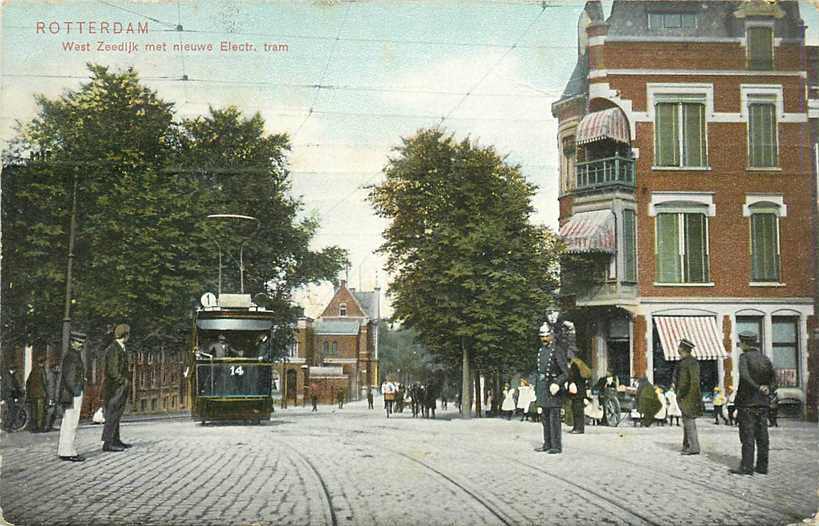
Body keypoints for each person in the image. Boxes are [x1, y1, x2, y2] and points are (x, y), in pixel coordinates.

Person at [731, 331, 775, 476]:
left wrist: (757, 387)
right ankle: (762, 466)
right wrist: (767, 389)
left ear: (744, 343)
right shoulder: (765, 358)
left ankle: (747, 467)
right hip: (763, 403)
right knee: (763, 436)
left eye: (741, 343)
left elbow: (744, 377)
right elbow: (774, 379)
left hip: (747, 402)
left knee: (747, 435)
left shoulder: (744, 357)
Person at [534, 318, 569, 454]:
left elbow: (565, 373)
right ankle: (547, 443)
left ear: (552, 335)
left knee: (554, 419)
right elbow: (538, 371)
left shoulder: (557, 350)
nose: (544, 339)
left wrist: (556, 383)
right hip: (543, 387)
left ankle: (556, 445)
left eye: (546, 336)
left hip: (553, 388)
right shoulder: (541, 351)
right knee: (545, 418)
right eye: (541, 336)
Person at [102, 324, 132, 452]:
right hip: (114, 388)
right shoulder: (113, 349)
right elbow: (112, 370)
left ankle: (116, 440)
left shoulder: (121, 348)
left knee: (116, 414)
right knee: (112, 414)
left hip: (119, 387)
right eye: (128, 334)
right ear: (125, 335)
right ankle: (108, 443)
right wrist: (123, 381)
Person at [58, 332, 87, 462]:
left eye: (82, 342)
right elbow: (70, 377)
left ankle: (64, 450)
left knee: (67, 422)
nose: (80, 344)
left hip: (69, 393)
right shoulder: (73, 356)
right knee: (71, 423)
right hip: (72, 394)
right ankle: (68, 451)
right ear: (71, 342)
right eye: (78, 342)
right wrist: (77, 390)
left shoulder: (72, 355)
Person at [676, 338, 702, 455]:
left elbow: (684, 382)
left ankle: (693, 447)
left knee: (689, 422)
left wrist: (680, 394)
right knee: (687, 421)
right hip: (692, 395)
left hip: (687, 396)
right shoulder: (692, 361)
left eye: (679, 347)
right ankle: (687, 445)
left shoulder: (686, 363)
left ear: (682, 349)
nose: (678, 349)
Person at [25, 356, 48, 432]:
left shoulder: (33, 370)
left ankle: (33, 427)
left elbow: (28, 382)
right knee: (40, 412)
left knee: (34, 411)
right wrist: (47, 392)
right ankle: (39, 427)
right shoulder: (42, 370)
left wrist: (29, 392)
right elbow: (45, 383)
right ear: (43, 362)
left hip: (33, 394)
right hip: (41, 394)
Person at [567, 357, 589, 434]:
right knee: (578, 410)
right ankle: (578, 427)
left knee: (577, 410)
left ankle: (578, 428)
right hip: (581, 391)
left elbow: (573, 377)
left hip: (576, 392)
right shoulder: (580, 364)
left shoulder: (574, 365)